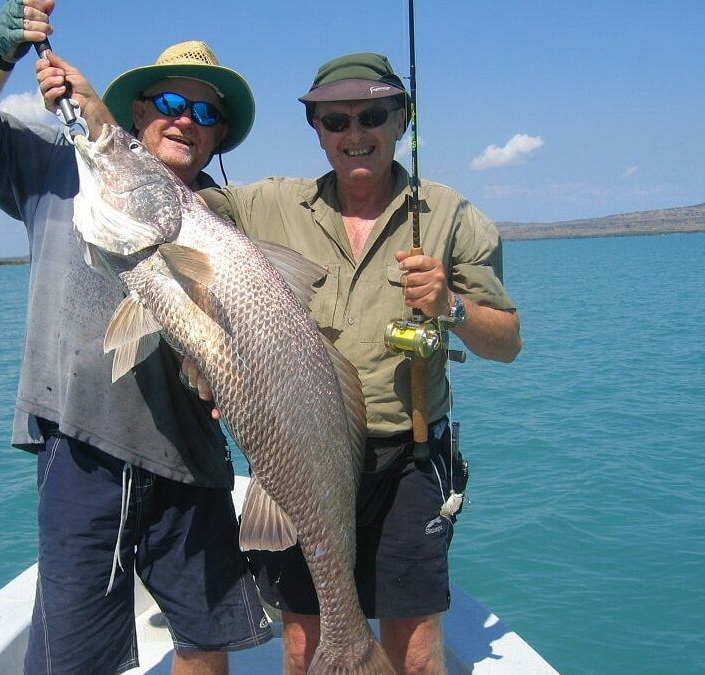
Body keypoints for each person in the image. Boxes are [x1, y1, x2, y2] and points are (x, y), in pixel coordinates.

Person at [0, 1, 271, 673]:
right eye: (172, 101)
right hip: (82, 445)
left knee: (206, 644)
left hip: (191, 458)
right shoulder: (64, 167)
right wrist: (2, 55)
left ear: (219, 135)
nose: (186, 120)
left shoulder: (224, 226)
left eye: (206, 113)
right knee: (73, 659)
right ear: (139, 112)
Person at [199, 53, 523, 675]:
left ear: (402, 119)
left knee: (418, 651)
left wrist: (451, 305)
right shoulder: (268, 204)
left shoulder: (452, 214)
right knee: (302, 647)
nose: (355, 135)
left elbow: (506, 341)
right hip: (299, 453)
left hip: (408, 455)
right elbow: (178, 199)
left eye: (373, 115)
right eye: (336, 121)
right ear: (315, 131)